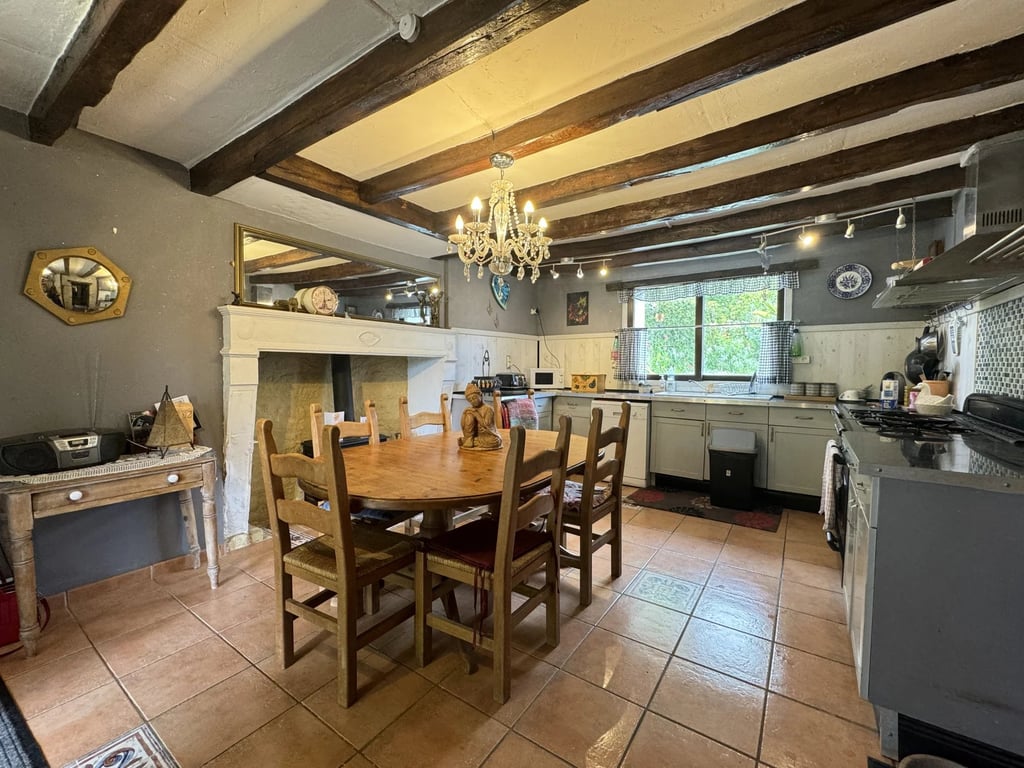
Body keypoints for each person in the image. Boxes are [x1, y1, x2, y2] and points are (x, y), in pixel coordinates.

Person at [459, 382, 502, 450]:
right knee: (469, 416)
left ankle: (470, 441)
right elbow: (464, 425)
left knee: (496, 441)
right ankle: (469, 439)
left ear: (480, 395)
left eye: (474, 398)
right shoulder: (471, 410)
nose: (473, 401)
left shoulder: (488, 409)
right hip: (477, 436)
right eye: (470, 400)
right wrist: (465, 413)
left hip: (488, 435)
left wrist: (476, 414)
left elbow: (486, 425)